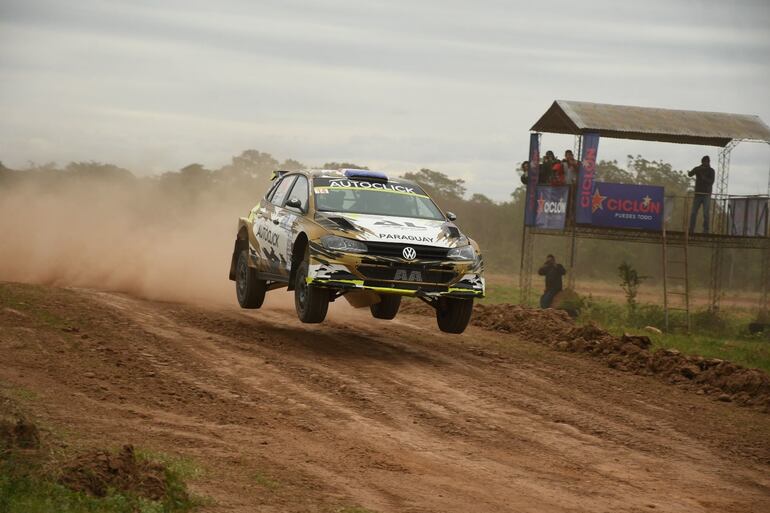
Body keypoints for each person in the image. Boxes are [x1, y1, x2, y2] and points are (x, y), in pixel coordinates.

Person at [688, 155, 715, 234]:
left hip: (706, 194)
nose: (705, 163)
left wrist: (704, 178)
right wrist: (696, 170)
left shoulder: (711, 171)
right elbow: (690, 174)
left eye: (706, 162)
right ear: (702, 162)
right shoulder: (698, 169)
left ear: (708, 162)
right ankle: (691, 229)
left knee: (706, 213)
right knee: (693, 212)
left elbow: (711, 182)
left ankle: (705, 230)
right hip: (698, 194)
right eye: (704, 162)